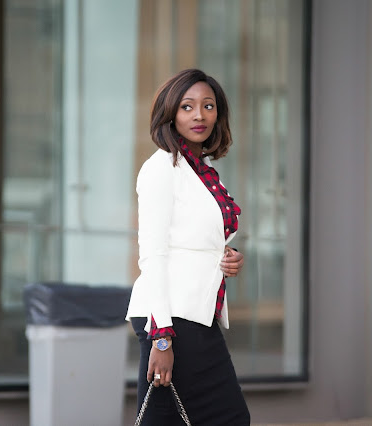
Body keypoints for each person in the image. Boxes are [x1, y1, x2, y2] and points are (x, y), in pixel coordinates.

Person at [126, 69, 250, 425]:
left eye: (208, 106)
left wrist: (226, 256)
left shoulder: (202, 169)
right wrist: (161, 339)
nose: (199, 115)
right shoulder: (161, 168)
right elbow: (153, 254)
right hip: (171, 318)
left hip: (196, 312)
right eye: (187, 106)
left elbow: (195, 237)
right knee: (228, 418)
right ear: (171, 113)